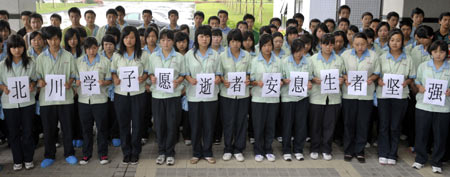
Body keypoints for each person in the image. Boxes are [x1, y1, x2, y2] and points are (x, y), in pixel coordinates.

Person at [36, 26, 78, 168]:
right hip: (47, 100)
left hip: (65, 99)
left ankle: (69, 153)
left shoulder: (68, 56)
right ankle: (49, 155)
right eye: (50, 39)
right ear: (46, 40)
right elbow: (37, 77)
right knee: (49, 129)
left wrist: (70, 83)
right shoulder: (41, 58)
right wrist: (39, 82)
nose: (53, 42)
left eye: (56, 39)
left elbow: (74, 74)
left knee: (67, 127)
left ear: (60, 39)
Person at [376, 29, 415, 165]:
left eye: (398, 40)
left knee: (395, 126)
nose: (395, 43)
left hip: (401, 96)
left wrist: (406, 82)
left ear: (402, 42)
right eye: (392, 40)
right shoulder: (381, 57)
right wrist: (379, 81)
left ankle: (393, 154)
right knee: (384, 125)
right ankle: (383, 152)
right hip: (384, 95)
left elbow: (411, 77)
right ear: (388, 41)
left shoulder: (408, 58)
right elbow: (377, 75)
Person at [111, 26, 148, 165]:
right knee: (124, 124)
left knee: (137, 123)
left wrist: (143, 78)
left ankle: (136, 151)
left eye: (132, 37)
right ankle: (126, 151)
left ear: (136, 39)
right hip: (121, 94)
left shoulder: (143, 54)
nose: (129, 40)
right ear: (122, 39)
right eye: (126, 37)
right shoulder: (117, 55)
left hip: (138, 93)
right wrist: (114, 77)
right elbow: (113, 71)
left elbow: (147, 72)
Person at [184, 25, 221, 164]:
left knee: (209, 124)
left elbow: (219, 73)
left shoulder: (215, 54)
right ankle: (196, 152)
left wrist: (218, 78)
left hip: (211, 96)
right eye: (201, 36)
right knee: (195, 124)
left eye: (207, 36)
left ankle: (208, 152)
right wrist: (190, 79)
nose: (204, 39)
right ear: (197, 38)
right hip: (194, 96)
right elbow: (185, 73)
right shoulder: (189, 54)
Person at [412, 40, 450, 174]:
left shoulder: (449, 66)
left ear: (446, 53)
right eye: (435, 51)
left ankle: (437, 162)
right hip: (424, 106)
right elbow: (417, 80)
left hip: (443, 108)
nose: (438, 54)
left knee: (440, 135)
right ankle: (420, 159)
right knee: (421, 133)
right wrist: (419, 87)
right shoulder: (423, 66)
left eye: (442, 51)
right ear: (431, 52)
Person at [148, 29, 186, 166]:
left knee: (172, 124)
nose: (166, 43)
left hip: (173, 96)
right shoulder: (153, 57)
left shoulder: (179, 57)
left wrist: (178, 81)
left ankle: (170, 152)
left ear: (173, 42)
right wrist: (152, 78)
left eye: (169, 40)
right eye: (163, 40)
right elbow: (150, 73)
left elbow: (183, 74)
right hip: (157, 96)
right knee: (159, 124)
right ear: (159, 41)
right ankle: (161, 151)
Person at [341, 32, 380, 163]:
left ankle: (360, 150)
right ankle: (348, 150)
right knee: (348, 123)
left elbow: (377, 73)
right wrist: (346, 78)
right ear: (352, 44)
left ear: (367, 43)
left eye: (363, 44)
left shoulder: (373, 55)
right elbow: (341, 72)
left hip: (366, 95)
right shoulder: (345, 55)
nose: (360, 47)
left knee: (363, 123)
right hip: (349, 94)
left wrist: (371, 79)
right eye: (357, 44)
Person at [0, 35, 37, 170]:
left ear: (24, 47)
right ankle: (17, 160)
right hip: (10, 104)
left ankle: (28, 158)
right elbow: (0, 83)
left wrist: (32, 85)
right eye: (14, 47)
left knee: (28, 132)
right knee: (13, 133)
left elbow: (34, 79)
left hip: (27, 103)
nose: (17, 50)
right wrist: (3, 87)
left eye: (20, 47)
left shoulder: (31, 62)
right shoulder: (2, 65)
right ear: (9, 49)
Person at [75, 37, 111, 165]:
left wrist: (104, 82)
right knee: (86, 129)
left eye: (94, 48)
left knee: (101, 128)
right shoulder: (78, 62)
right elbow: (75, 79)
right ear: (85, 49)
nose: (92, 51)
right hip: (84, 100)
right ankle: (86, 154)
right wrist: (76, 82)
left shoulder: (105, 61)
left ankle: (103, 154)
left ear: (98, 48)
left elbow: (109, 80)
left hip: (100, 100)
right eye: (89, 48)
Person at [309, 33, 345, 161]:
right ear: (320, 45)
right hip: (317, 97)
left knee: (329, 125)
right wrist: (314, 79)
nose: (329, 47)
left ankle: (326, 149)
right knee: (316, 124)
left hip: (333, 98)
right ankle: (314, 148)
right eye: (326, 44)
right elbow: (308, 75)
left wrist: (341, 80)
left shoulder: (339, 60)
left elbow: (343, 75)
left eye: (331, 44)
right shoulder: (312, 59)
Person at [218, 29, 251, 162]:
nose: (235, 44)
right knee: (228, 122)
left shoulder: (247, 56)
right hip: (227, 95)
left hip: (242, 95)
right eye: (232, 41)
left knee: (241, 122)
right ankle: (227, 148)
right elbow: (219, 74)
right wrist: (223, 81)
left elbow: (249, 72)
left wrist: (248, 78)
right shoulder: (222, 56)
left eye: (237, 41)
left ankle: (238, 149)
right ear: (228, 42)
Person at [250, 34, 282, 162]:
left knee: (270, 125)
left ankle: (268, 149)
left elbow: (283, 77)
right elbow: (250, 79)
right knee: (258, 125)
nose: (267, 48)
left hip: (273, 98)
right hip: (258, 98)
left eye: (269, 45)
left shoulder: (278, 61)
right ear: (260, 47)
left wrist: (281, 82)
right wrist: (256, 83)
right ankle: (258, 150)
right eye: (265, 45)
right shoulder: (254, 61)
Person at [280, 38, 312, 161]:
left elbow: (310, 77)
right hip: (288, 97)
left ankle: (298, 149)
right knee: (287, 124)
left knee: (301, 124)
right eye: (297, 51)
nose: (299, 54)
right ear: (292, 51)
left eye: (302, 50)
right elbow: (280, 77)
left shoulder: (308, 62)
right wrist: (283, 80)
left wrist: (309, 83)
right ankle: (286, 150)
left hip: (302, 98)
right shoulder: (284, 62)